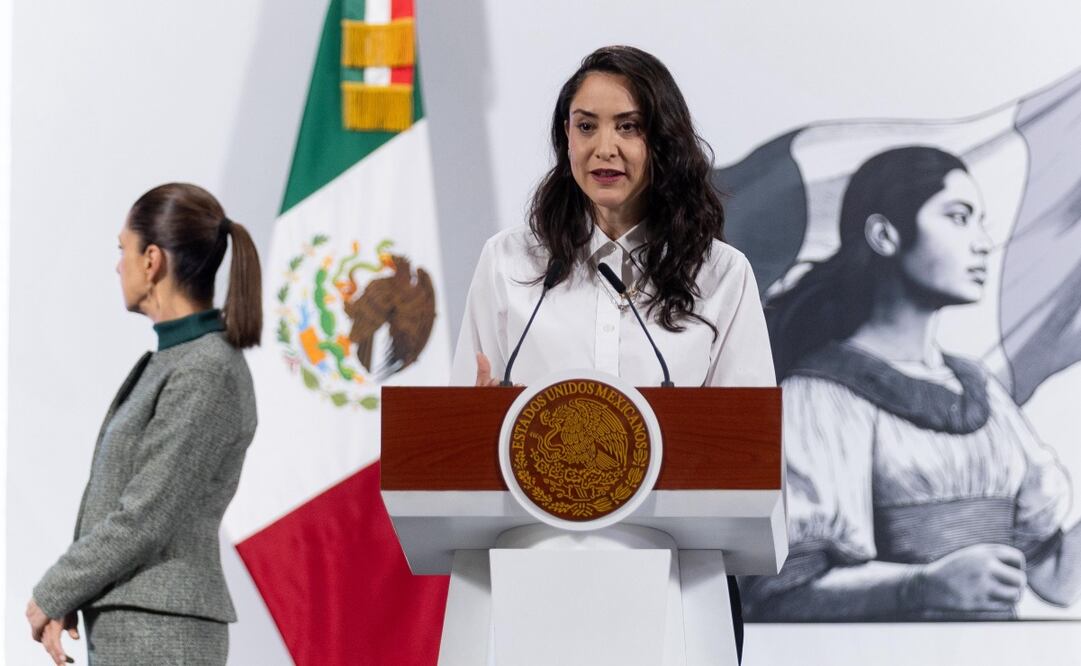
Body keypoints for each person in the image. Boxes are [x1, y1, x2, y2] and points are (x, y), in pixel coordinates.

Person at [450, 45, 775, 663]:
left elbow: (747, 449)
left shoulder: (721, 274)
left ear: (663, 141)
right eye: (585, 125)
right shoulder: (510, 262)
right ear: (563, 138)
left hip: (679, 585)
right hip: (530, 578)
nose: (605, 148)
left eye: (629, 127)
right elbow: (457, 426)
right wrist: (473, 426)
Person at [742, 146, 1081, 621]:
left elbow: (1057, 581)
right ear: (885, 235)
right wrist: (921, 586)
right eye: (959, 218)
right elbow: (782, 591)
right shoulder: (819, 397)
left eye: (980, 220)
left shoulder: (979, 390)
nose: (983, 242)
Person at [26, 183, 262, 664]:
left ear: (152, 260)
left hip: (162, 637)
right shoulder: (175, 359)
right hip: (139, 628)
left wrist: (56, 589)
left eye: (123, 249)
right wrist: (78, 590)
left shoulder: (205, 370)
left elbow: (145, 514)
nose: (118, 265)